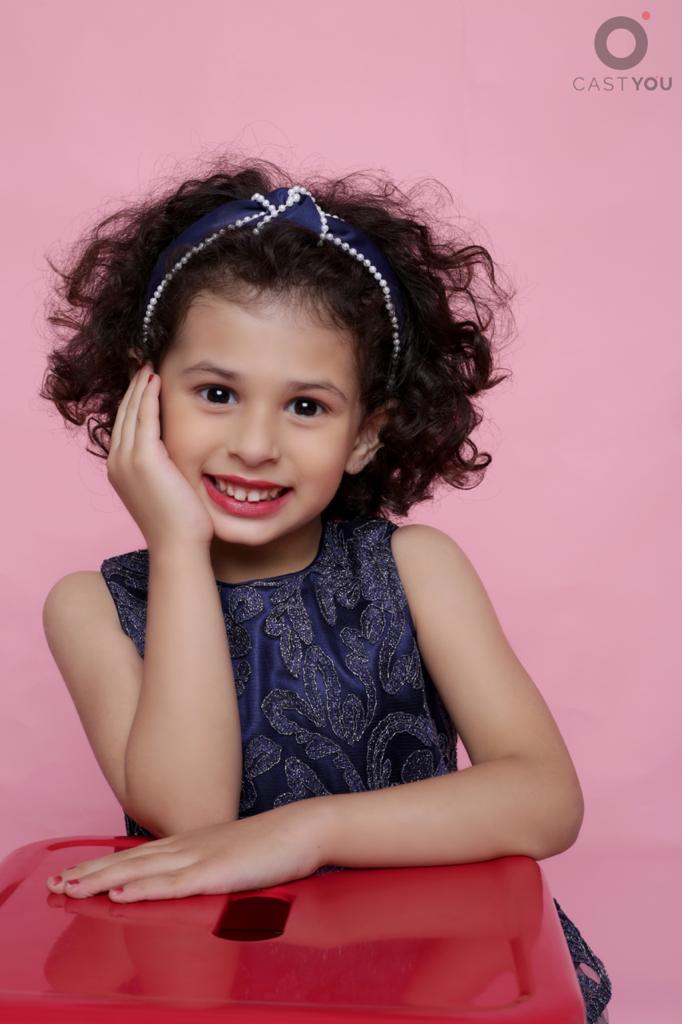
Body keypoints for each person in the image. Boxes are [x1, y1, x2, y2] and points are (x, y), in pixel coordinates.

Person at [38, 156, 612, 1022]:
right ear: (143, 398)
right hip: (222, 992)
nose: (255, 444)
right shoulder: (93, 610)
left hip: (436, 983)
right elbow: (193, 814)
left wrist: (306, 832)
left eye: (306, 406)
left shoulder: (415, 569)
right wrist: (178, 548)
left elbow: (545, 800)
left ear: (366, 436)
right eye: (217, 393)